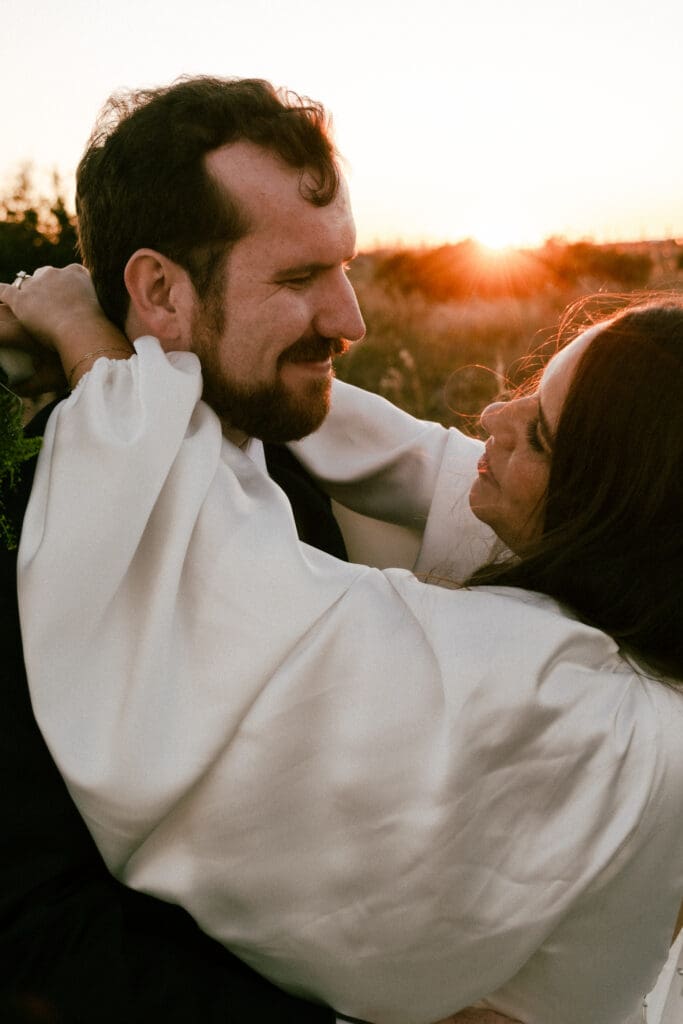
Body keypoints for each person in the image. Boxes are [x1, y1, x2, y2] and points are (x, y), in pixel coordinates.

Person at [3, 260, 683, 1024]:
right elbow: (415, 460)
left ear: (614, 511)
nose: (494, 412)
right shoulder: (653, 612)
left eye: (540, 431)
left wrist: (94, 352)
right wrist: (180, 350)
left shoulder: (589, 716)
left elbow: (232, 601)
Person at [0, 75, 507, 1024]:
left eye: (345, 267)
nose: (351, 320)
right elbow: (34, 926)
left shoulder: (288, 461)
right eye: (298, 278)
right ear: (159, 292)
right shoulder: (27, 520)